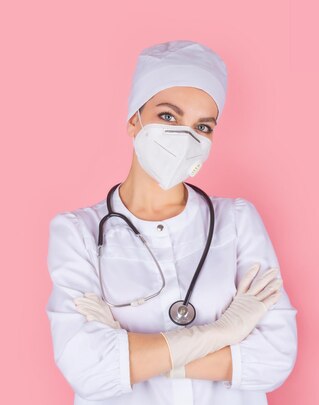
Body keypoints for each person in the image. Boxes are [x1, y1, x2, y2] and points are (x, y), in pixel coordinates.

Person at [45, 40, 298, 404]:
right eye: (168, 116)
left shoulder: (238, 220)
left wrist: (131, 353)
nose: (186, 137)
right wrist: (224, 333)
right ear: (134, 121)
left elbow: (274, 359)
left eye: (203, 127)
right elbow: (87, 369)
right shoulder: (77, 232)